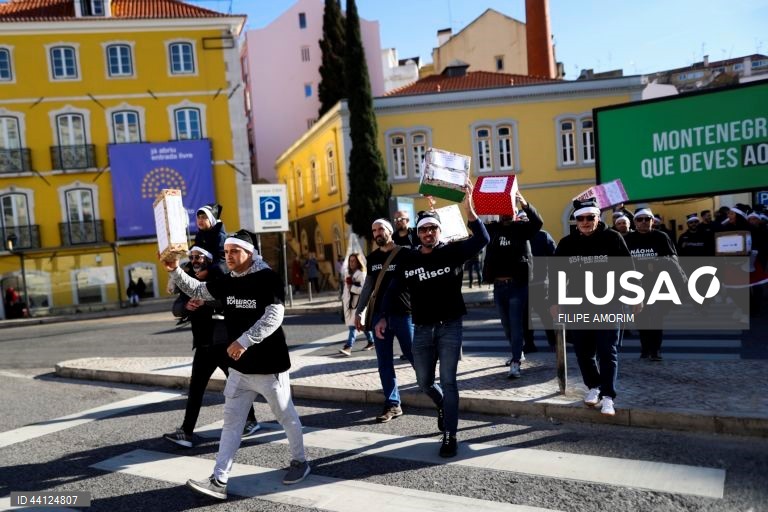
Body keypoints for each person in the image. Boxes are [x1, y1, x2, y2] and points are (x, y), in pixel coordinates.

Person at [163, 229, 309, 499]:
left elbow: (275, 315)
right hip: (239, 369)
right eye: (226, 252)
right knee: (231, 423)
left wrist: (244, 341)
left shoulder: (268, 278)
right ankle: (219, 479)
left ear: (249, 253)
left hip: (269, 366)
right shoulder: (228, 280)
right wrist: (174, 270)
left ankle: (300, 461)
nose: (228, 256)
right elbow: (199, 290)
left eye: (234, 251)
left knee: (285, 416)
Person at [376, 182, 489, 458]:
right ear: (418, 233)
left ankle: (450, 435)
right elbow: (392, 288)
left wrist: (469, 210)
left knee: (449, 381)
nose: (428, 233)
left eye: (433, 229)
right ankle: (442, 405)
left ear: (439, 231)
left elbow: (482, 239)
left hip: (450, 326)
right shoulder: (409, 259)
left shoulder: (452, 252)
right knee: (424, 382)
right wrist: (382, 317)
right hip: (422, 329)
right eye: (424, 229)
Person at [163, 246, 260, 448]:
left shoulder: (220, 278)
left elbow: (228, 300)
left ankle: (251, 421)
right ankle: (186, 432)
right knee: (195, 390)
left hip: (224, 344)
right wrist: (186, 306)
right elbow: (176, 307)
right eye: (192, 257)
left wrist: (204, 302)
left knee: (238, 384)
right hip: (203, 345)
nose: (195, 260)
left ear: (208, 260)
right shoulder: (189, 280)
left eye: (199, 257)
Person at [550, 199, 636, 417]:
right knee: (583, 351)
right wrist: (554, 301)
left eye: (590, 217)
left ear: (598, 218)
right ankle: (594, 386)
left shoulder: (612, 238)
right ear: (576, 221)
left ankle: (608, 397)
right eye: (581, 218)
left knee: (607, 351)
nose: (585, 222)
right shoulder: (567, 243)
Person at [355, 218, 414, 423]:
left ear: (389, 231)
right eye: (374, 230)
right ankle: (392, 403)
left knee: (414, 355)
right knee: (384, 362)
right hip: (379, 316)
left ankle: (433, 389)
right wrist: (359, 311)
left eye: (381, 229)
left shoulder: (405, 253)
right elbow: (368, 286)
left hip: (403, 313)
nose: (377, 233)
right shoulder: (372, 258)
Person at [482, 192, 542, 378]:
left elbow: (538, 222)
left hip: (518, 285)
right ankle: (518, 351)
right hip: (499, 286)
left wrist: (525, 204)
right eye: (503, 212)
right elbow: (474, 226)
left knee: (516, 324)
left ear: (514, 213)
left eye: (509, 211)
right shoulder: (492, 229)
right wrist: (474, 206)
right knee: (506, 325)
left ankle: (515, 361)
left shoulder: (522, 228)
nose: (506, 214)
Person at [624, 208, 684, 362]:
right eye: (640, 219)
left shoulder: (661, 237)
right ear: (635, 222)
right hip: (636, 286)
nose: (644, 222)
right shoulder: (628, 239)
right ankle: (645, 349)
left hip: (658, 285)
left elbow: (673, 259)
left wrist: (656, 263)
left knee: (656, 318)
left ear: (652, 221)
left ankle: (655, 350)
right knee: (641, 318)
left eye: (647, 219)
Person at [524, 221, 557, 351]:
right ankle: (529, 343)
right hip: (522, 284)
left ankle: (553, 341)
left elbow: (554, 256)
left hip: (540, 282)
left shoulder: (543, 235)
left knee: (544, 313)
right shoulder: (516, 235)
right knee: (525, 316)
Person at [338, 253, 375, 356]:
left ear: (358, 262)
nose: (351, 263)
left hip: (357, 304)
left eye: (354, 261)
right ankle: (371, 341)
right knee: (361, 325)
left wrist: (352, 287)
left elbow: (365, 290)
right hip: (348, 304)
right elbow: (346, 290)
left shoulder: (361, 274)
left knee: (353, 326)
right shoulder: (347, 273)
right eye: (350, 261)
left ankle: (348, 347)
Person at [194, 203, 227, 269]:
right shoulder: (199, 235)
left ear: (212, 220)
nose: (200, 220)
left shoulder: (220, 236)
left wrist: (208, 271)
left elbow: (222, 261)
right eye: (198, 217)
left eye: (203, 217)